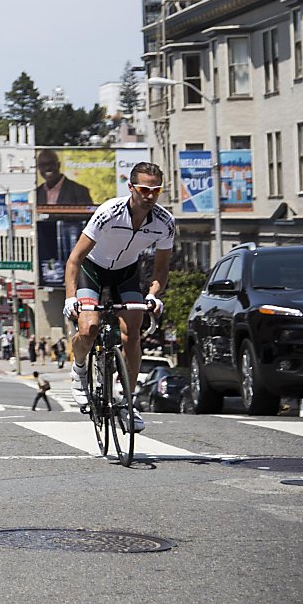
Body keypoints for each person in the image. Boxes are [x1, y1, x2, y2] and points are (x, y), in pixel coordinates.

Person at [63, 160, 174, 431]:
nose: (149, 196)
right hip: (93, 269)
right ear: (131, 188)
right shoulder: (109, 212)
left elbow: (161, 269)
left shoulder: (165, 222)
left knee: (132, 333)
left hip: (126, 273)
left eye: (155, 190)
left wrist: (154, 295)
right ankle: (79, 369)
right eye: (143, 189)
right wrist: (69, 298)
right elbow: (75, 259)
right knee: (88, 328)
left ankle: (127, 402)